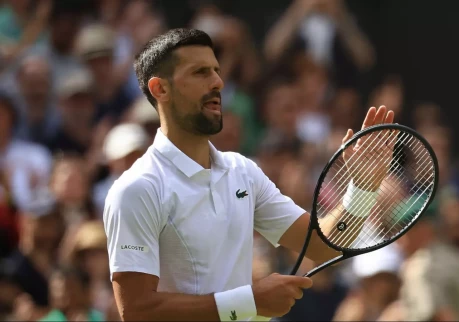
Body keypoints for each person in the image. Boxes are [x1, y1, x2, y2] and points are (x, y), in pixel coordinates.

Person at [103, 28, 395, 321]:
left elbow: (320, 246)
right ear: (160, 89)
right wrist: (248, 302)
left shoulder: (242, 171)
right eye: (200, 72)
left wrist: (363, 188)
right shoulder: (136, 189)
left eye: (216, 70)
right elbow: (137, 311)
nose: (217, 81)